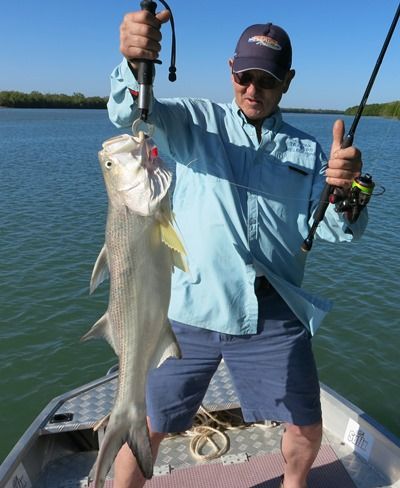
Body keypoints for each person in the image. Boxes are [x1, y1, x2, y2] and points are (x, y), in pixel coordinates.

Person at [107, 9, 367, 488]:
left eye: (266, 79)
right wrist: (132, 61)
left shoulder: (309, 152)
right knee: (145, 425)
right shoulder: (192, 122)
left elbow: (336, 231)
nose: (252, 88)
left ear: (287, 82)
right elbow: (129, 114)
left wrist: (349, 193)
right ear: (231, 70)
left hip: (272, 309)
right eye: (244, 75)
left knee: (307, 430)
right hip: (187, 307)